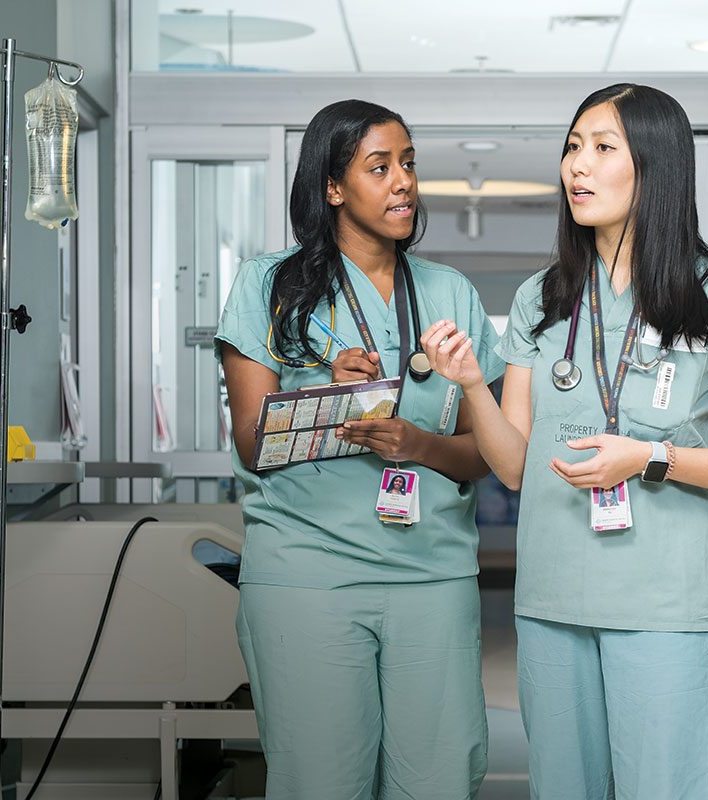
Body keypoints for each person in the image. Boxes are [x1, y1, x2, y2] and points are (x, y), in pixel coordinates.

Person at [420, 83, 708, 799]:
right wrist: (471, 383)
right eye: (571, 148)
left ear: (654, 168)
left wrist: (653, 456)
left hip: (660, 606)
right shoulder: (543, 298)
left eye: (601, 148)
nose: (577, 168)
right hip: (553, 597)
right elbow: (513, 465)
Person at [216, 99, 503, 799]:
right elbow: (253, 444)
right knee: (322, 780)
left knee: (437, 780)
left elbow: (480, 453)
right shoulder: (269, 286)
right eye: (380, 167)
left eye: (408, 164)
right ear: (333, 186)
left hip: (429, 576)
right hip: (309, 574)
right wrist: (323, 393)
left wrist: (421, 444)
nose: (403, 182)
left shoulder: (450, 295)